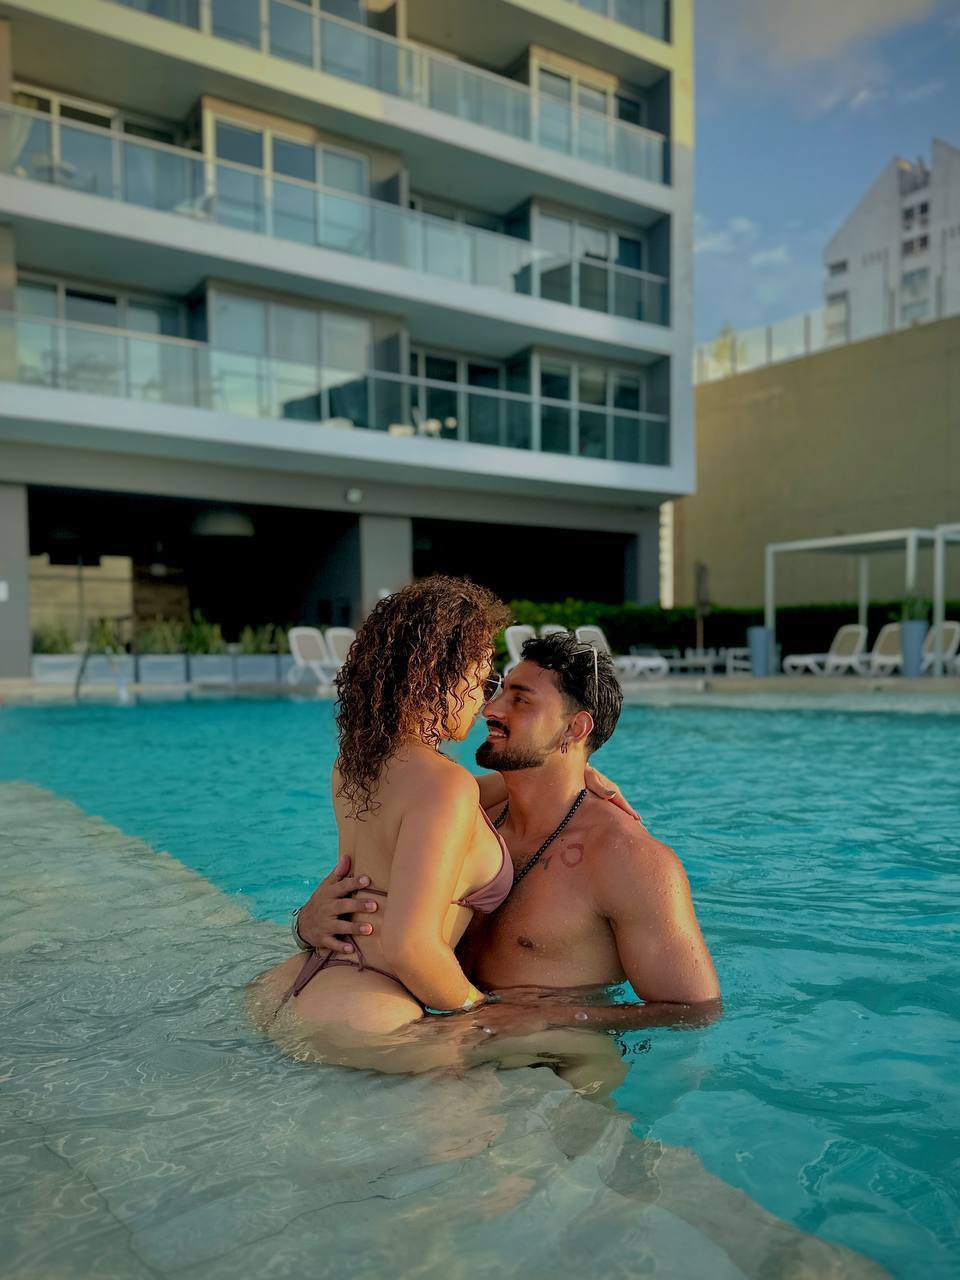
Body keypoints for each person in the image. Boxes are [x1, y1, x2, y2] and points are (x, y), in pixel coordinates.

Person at [295, 631, 721, 1037]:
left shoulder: (628, 859)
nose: (490, 709)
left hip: (553, 1059)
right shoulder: (463, 813)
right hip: (442, 1032)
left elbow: (695, 1010)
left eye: (520, 700)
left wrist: (550, 1019)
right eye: (499, 691)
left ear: (575, 729)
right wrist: (307, 923)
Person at [248, 575, 513, 1039]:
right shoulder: (442, 785)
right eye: (482, 678)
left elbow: (458, 803)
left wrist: (564, 774)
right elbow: (411, 948)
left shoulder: (356, 764)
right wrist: (481, 1012)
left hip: (289, 985)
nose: (483, 699)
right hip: (368, 1009)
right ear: (439, 677)